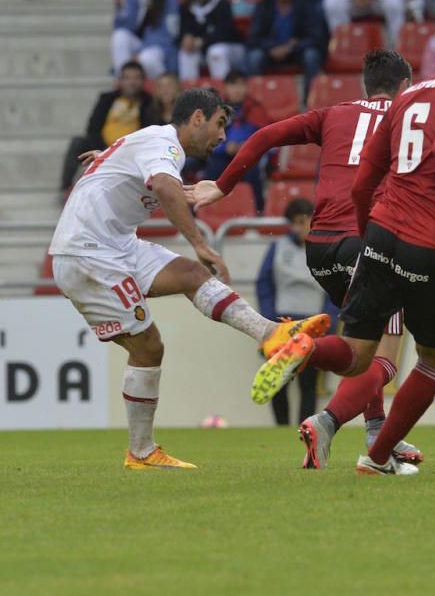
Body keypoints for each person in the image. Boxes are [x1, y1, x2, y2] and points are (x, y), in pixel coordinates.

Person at [251, 8, 435, 476]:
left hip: (380, 233)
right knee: (434, 357)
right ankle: (375, 457)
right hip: (434, 241)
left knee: (357, 355)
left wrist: (375, 235)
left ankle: (305, 347)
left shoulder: (406, 99)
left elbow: (363, 182)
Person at [49, 88, 330, 470]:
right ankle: (142, 453)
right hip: (88, 253)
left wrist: (109, 161)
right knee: (148, 347)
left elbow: (133, 165)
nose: (222, 137)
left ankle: (272, 335)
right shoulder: (166, 146)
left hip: (114, 246)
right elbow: (163, 187)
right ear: (197, 117)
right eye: (219, 124)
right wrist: (199, 242)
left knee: (190, 275)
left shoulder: (154, 143)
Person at [186, 50, 423, 469]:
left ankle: (376, 431)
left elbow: (262, 137)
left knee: (359, 345)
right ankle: (318, 385)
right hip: (367, 242)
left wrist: (221, 188)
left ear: (367, 85)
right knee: (384, 354)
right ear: (405, 85)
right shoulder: (410, 113)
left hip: (319, 247)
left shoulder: (333, 114)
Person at [256, 199, 338, 426]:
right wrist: (270, 321)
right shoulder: (277, 248)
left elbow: (336, 290)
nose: (300, 228)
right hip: (281, 323)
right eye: (295, 223)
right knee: (278, 381)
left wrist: (327, 321)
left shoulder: (327, 250)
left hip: (313, 324)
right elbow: (264, 285)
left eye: (304, 222)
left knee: (308, 382)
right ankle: (281, 428)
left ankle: (305, 428)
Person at [60, 61, 159, 192]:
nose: (132, 82)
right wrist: (105, 151)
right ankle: (65, 189)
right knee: (78, 142)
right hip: (102, 147)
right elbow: (92, 128)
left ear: (143, 81)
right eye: (127, 78)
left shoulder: (150, 102)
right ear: (120, 81)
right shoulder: (106, 99)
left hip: (131, 152)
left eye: (136, 78)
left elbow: (150, 131)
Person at [247, 0, 326, 103]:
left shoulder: (305, 4)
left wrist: (293, 46)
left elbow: (317, 36)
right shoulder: (264, 5)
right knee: (254, 57)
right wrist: (271, 47)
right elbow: (254, 38)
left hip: (296, 51)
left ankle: (309, 104)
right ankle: (255, 103)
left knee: (312, 55)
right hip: (270, 52)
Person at [202, 70, 272, 212]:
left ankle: (258, 212)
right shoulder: (216, 110)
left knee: (252, 171)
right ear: (226, 88)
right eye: (233, 85)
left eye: (241, 85)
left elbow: (267, 139)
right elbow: (206, 140)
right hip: (221, 155)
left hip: (248, 156)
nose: (237, 90)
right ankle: (205, 212)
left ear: (246, 87)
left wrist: (245, 147)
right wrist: (225, 148)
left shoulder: (256, 109)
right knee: (212, 168)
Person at [111, 0, 181, 79]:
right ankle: (122, 80)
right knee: (119, 36)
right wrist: (122, 9)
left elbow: (171, 34)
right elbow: (123, 28)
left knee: (147, 58)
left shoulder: (170, 0)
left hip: (160, 47)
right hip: (139, 45)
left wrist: (140, 52)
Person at [178, 0, 246, 83]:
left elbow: (224, 33)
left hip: (231, 49)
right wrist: (186, 37)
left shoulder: (221, 2)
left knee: (215, 52)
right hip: (203, 50)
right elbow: (184, 30)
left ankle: (220, 97)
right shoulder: (187, 6)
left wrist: (200, 42)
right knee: (186, 53)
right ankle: (189, 96)